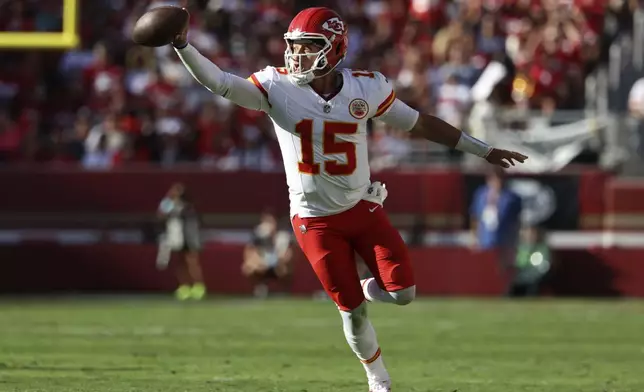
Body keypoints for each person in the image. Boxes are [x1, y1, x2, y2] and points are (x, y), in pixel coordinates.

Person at [168, 7, 527, 391]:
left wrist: (482, 150)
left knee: (404, 293)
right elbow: (220, 83)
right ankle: (379, 380)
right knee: (352, 313)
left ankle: (369, 288)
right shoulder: (277, 87)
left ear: (334, 49)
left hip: (361, 207)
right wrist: (182, 45)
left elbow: (419, 122)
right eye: (294, 47)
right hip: (314, 220)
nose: (296, 56)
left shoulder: (366, 88)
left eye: (308, 47)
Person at [470, 167, 523, 295]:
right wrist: (474, 237)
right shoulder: (481, 195)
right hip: (486, 236)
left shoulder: (511, 197)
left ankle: (506, 290)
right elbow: (475, 217)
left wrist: (515, 239)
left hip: (504, 237)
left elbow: (516, 221)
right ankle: (486, 289)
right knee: (485, 265)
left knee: (504, 264)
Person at [157, 183, 206, 300]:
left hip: (189, 237)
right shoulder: (169, 205)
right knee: (179, 263)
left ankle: (198, 286)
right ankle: (184, 287)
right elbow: (160, 214)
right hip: (176, 237)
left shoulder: (188, 206)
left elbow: (195, 221)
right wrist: (168, 199)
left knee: (192, 262)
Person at [242, 209, 294, 298]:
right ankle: (261, 288)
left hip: (278, 264)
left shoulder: (283, 236)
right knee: (250, 268)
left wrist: (281, 261)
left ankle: (283, 291)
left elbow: (288, 253)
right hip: (262, 264)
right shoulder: (258, 236)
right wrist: (258, 262)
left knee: (284, 270)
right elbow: (250, 251)